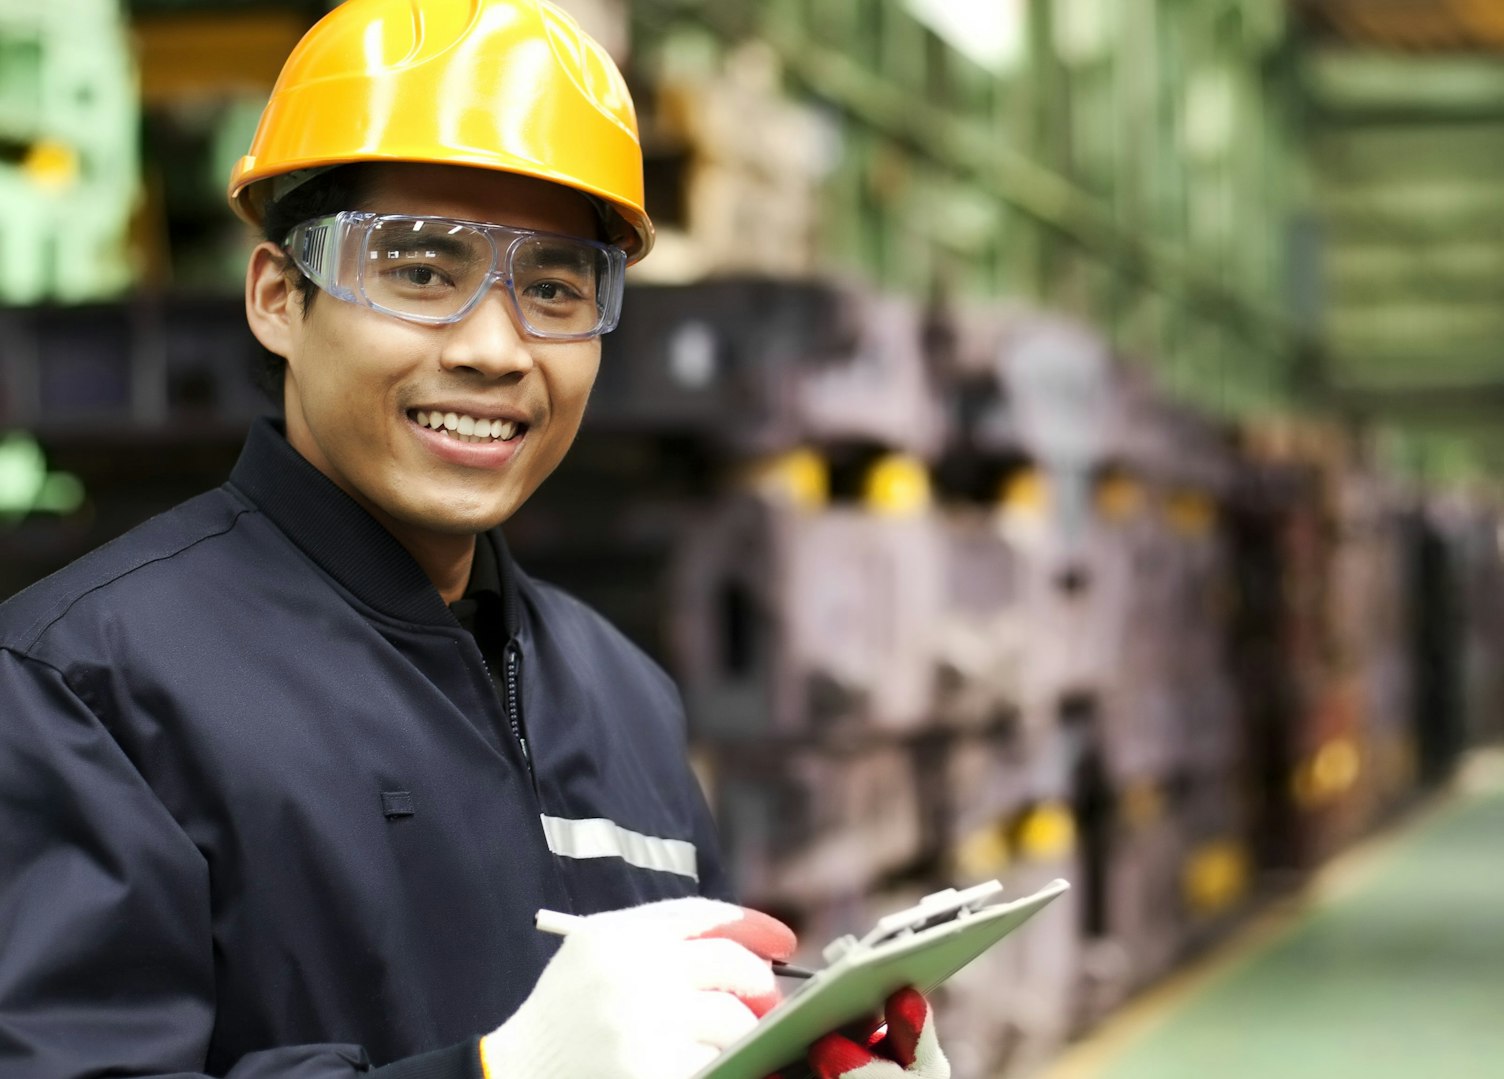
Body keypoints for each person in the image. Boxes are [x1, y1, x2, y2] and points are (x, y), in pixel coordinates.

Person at [0, 2, 951, 1077]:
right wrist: (495, 1071)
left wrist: (799, 1059)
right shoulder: (82, 691)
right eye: (419, 270)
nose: (496, 348)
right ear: (277, 297)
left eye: (552, 287)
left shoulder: (623, 695)